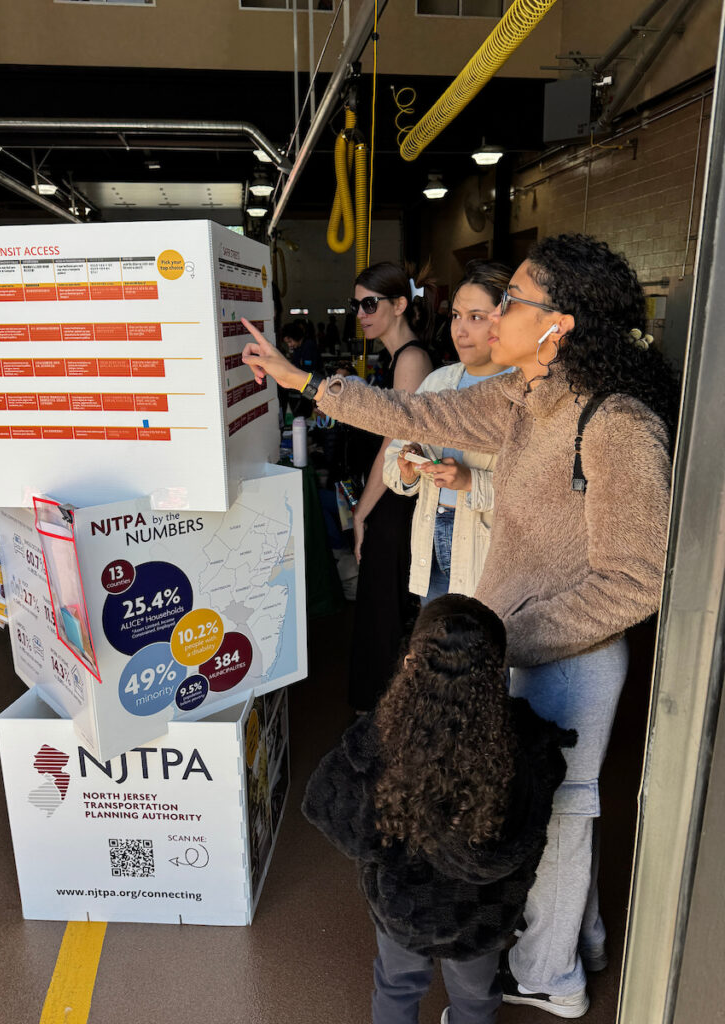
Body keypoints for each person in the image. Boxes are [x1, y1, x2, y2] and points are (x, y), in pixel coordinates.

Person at [241, 233, 679, 1016]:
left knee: (561, 814)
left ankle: (553, 975)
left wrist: (504, 640)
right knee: (520, 809)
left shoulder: (618, 425)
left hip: (568, 654)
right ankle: (563, 945)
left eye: (512, 302)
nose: (493, 313)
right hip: (505, 641)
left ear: (560, 325)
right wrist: (307, 380)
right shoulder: (525, 396)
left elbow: (636, 579)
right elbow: (418, 409)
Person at [302, 594, 576, 1024]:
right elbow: (529, 828)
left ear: (411, 660)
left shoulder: (375, 742)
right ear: (497, 670)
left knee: (396, 986)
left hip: (403, 910)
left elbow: (327, 809)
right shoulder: (524, 746)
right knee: (475, 998)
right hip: (480, 918)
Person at [333, 261, 434, 711]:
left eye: (369, 303)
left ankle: (385, 716)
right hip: (392, 498)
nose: (361, 313)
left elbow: (396, 447)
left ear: (399, 305)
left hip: (398, 501)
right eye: (357, 305)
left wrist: (361, 512)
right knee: (381, 606)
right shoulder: (398, 358)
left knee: (385, 608)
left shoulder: (411, 358)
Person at [384, 261, 511, 604]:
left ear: (505, 318)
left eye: (476, 317)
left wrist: (472, 482)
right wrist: (407, 469)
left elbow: (540, 495)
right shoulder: (438, 382)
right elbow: (392, 458)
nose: (460, 329)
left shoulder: (524, 391)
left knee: (485, 649)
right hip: (433, 546)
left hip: (488, 555)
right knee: (437, 648)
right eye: (455, 315)